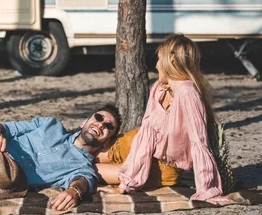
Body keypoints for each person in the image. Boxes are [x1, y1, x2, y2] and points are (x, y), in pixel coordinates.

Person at [96, 34, 233, 205]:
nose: (156, 65)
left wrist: (208, 190)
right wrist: (127, 183)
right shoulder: (159, 89)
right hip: (134, 147)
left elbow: (199, 142)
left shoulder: (188, 93)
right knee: (84, 153)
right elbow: (146, 135)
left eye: (159, 60)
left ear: (172, 63)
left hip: (161, 168)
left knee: (90, 168)